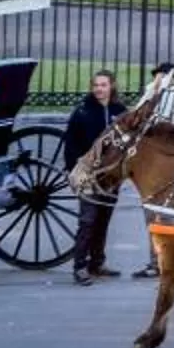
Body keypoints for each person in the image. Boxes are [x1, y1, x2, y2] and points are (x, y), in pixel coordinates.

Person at [59, 71, 124, 283]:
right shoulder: (82, 112)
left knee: (103, 219)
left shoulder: (120, 112)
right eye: (96, 85)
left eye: (103, 85)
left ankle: (97, 263)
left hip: (110, 176)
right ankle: (80, 267)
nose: (99, 89)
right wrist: (73, 172)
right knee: (87, 220)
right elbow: (70, 146)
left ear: (111, 86)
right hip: (86, 174)